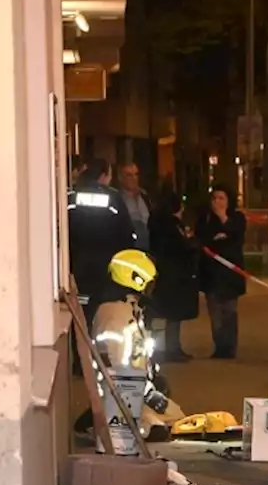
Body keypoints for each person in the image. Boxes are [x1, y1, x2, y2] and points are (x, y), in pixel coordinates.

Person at [91, 249, 185, 444]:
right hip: (121, 393)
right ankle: (99, 421)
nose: (152, 288)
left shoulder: (129, 308)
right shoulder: (115, 317)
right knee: (157, 430)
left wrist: (153, 379)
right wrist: (148, 393)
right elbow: (117, 368)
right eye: (149, 283)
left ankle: (102, 419)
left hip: (136, 390)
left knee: (179, 419)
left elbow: (136, 354)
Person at [67, 157, 138, 327]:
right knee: (102, 307)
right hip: (106, 263)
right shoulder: (113, 198)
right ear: (104, 175)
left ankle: (81, 346)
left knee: (80, 308)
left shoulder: (71, 196)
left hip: (77, 262)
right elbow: (127, 234)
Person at [196, 184, 247, 359]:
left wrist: (223, 219)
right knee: (215, 311)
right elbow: (203, 239)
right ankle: (219, 346)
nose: (217, 202)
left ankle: (230, 346)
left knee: (229, 311)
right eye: (215, 198)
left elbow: (236, 237)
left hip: (230, 273)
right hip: (211, 273)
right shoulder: (205, 219)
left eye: (221, 198)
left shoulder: (237, 218)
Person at [148, 191, 199, 362]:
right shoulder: (171, 226)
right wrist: (191, 243)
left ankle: (167, 348)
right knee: (173, 314)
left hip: (164, 273)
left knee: (164, 313)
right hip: (174, 275)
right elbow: (181, 247)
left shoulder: (156, 223)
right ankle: (172, 349)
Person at [119, 162, 152, 246]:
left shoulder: (145, 196)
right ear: (121, 178)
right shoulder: (118, 199)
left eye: (136, 174)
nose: (134, 178)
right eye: (129, 175)